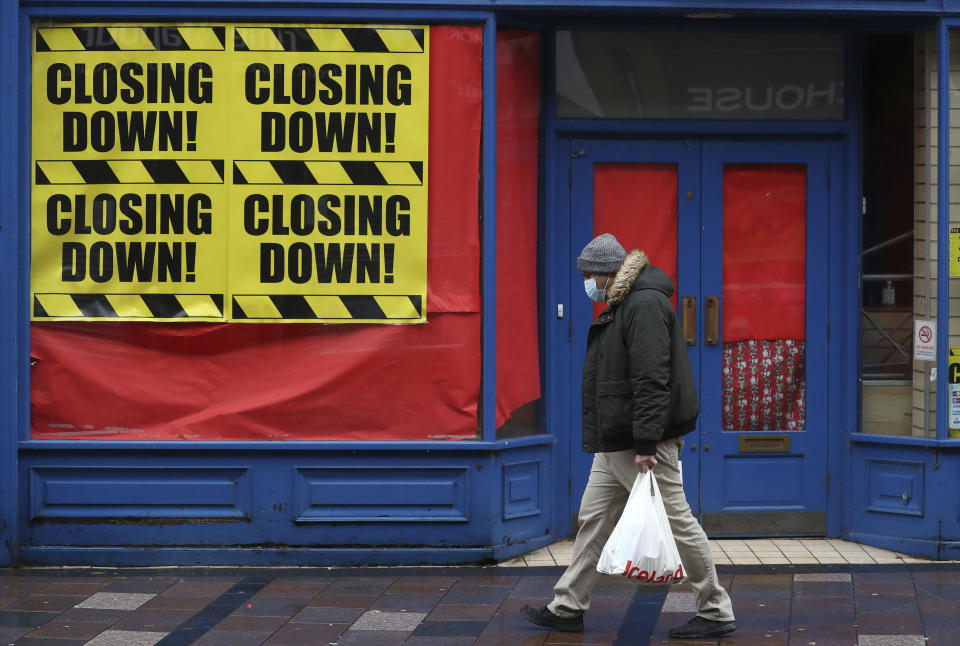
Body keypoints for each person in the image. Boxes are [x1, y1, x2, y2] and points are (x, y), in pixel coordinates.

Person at [521, 233, 736, 640]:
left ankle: (715, 610)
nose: (586, 283)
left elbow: (652, 378)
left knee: (678, 522)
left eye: (588, 275)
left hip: (639, 440)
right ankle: (568, 605)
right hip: (616, 438)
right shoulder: (625, 302)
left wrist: (647, 443)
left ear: (605, 272)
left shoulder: (644, 303)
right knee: (594, 517)